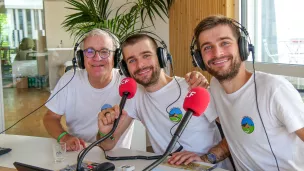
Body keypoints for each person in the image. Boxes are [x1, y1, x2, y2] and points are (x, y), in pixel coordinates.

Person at [181, 15, 304, 170]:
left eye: (225, 43)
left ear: (242, 47)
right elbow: (237, 136)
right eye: (207, 47)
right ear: (199, 58)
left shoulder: (274, 89)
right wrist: (205, 159)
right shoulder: (216, 88)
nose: (217, 53)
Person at [97, 34, 232, 170]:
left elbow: (237, 134)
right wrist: (105, 132)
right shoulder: (134, 95)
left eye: (146, 55)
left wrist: (207, 158)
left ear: (161, 57)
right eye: (132, 60)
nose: (140, 65)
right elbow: (107, 145)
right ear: (125, 68)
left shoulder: (193, 88)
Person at [43, 29, 134, 151]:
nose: (97, 57)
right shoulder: (70, 79)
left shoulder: (128, 83)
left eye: (104, 51)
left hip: (116, 157)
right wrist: (64, 137)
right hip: (78, 152)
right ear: (81, 58)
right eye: (90, 51)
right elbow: (50, 118)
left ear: (116, 57)